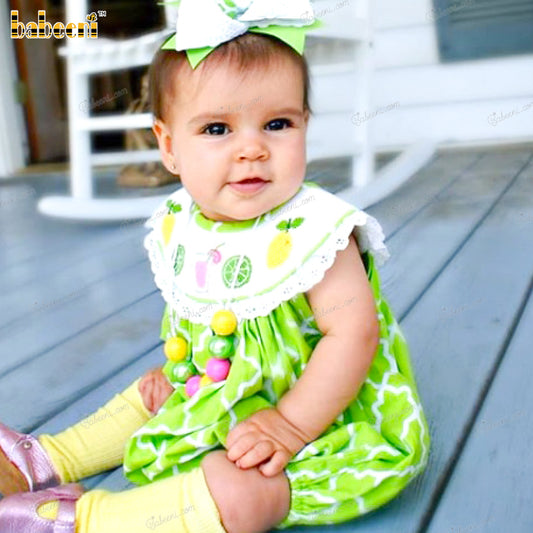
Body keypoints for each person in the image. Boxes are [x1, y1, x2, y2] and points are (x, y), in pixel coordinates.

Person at [0, 1, 430, 532]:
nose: (251, 148)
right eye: (217, 130)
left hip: (317, 419)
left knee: (244, 492)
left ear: (304, 125)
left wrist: (288, 426)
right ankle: (47, 459)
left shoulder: (318, 231)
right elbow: (202, 319)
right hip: (221, 392)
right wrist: (184, 376)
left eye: (276, 124)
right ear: (169, 146)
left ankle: (87, 521)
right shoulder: (181, 220)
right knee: (152, 390)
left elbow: (355, 335)